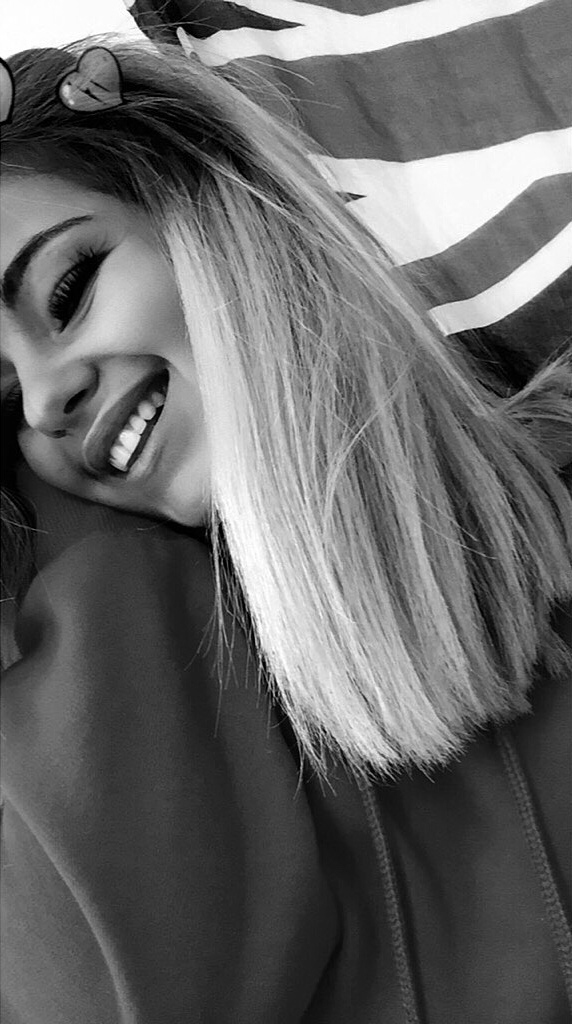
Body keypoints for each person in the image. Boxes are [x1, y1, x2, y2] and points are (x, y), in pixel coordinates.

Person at [1, 36, 571, 1024]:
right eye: (3, 400)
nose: (48, 398)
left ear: (218, 210)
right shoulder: (134, 666)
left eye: (66, 291)